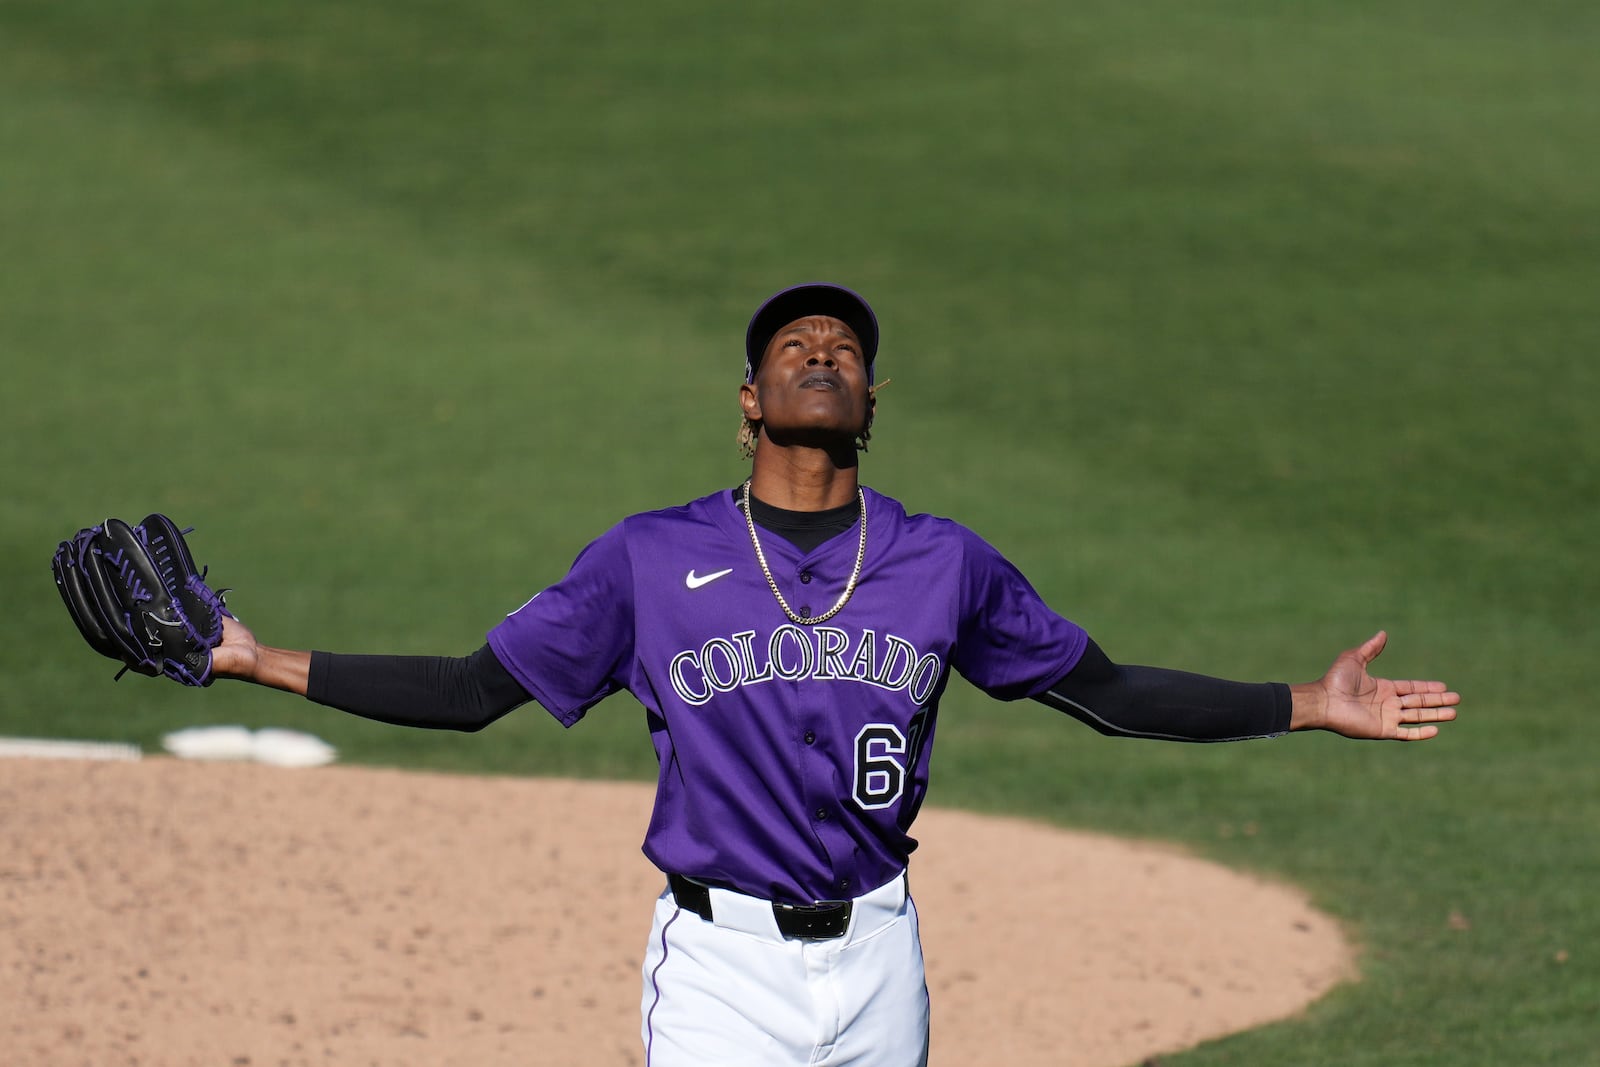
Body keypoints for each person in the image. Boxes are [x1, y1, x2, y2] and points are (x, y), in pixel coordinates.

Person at [211, 282, 1458, 1067]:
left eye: (845, 347)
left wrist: (1307, 701)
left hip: (878, 956)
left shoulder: (941, 562)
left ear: (869, 402)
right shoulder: (650, 557)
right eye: (793, 345)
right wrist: (257, 657)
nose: (822, 350)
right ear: (749, 400)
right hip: (719, 970)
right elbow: (475, 687)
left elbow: (1109, 691)